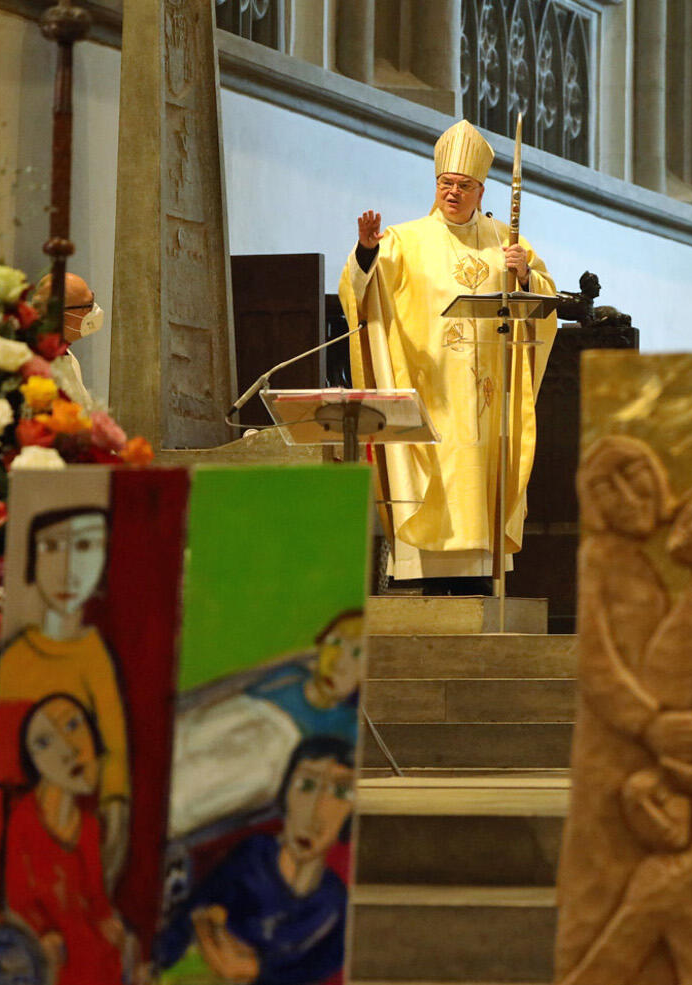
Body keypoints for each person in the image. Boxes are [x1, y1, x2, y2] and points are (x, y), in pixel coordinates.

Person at [339, 119, 557, 593]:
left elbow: (543, 308)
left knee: (480, 487)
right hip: (430, 390)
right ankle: (421, 575)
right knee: (431, 481)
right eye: (445, 184)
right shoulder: (404, 240)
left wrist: (523, 278)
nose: (452, 193)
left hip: (485, 399)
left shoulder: (508, 242)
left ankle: (480, 575)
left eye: (462, 185)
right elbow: (359, 291)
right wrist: (365, 251)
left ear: (481, 189)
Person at [0, 507, 131, 900]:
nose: (68, 568)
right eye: (51, 546)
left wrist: (114, 804)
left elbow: (114, 745)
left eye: (85, 546)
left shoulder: (94, 656)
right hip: (13, 831)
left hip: (71, 831)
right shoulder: (16, 654)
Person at [155, 735, 355, 985]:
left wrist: (254, 970)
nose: (314, 813)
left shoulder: (338, 911)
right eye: (306, 785)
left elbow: (307, 973)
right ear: (286, 791)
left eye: (340, 792)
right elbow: (185, 924)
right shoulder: (252, 856)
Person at [3, 692, 130, 985]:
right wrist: (43, 930)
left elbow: (96, 896)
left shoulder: (88, 825)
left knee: (106, 955)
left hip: (86, 937)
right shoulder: (24, 818)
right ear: (32, 758)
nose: (68, 751)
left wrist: (107, 920)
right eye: (45, 742)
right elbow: (18, 895)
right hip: (46, 940)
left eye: (74, 726)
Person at [245, 609, 364, 744]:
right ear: (320, 644)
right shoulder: (282, 681)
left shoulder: (351, 728)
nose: (338, 664)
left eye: (358, 654)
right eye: (335, 642)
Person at [33, 272, 104, 407]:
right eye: (88, 305)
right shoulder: (39, 368)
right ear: (61, 315)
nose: (94, 310)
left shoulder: (66, 353)